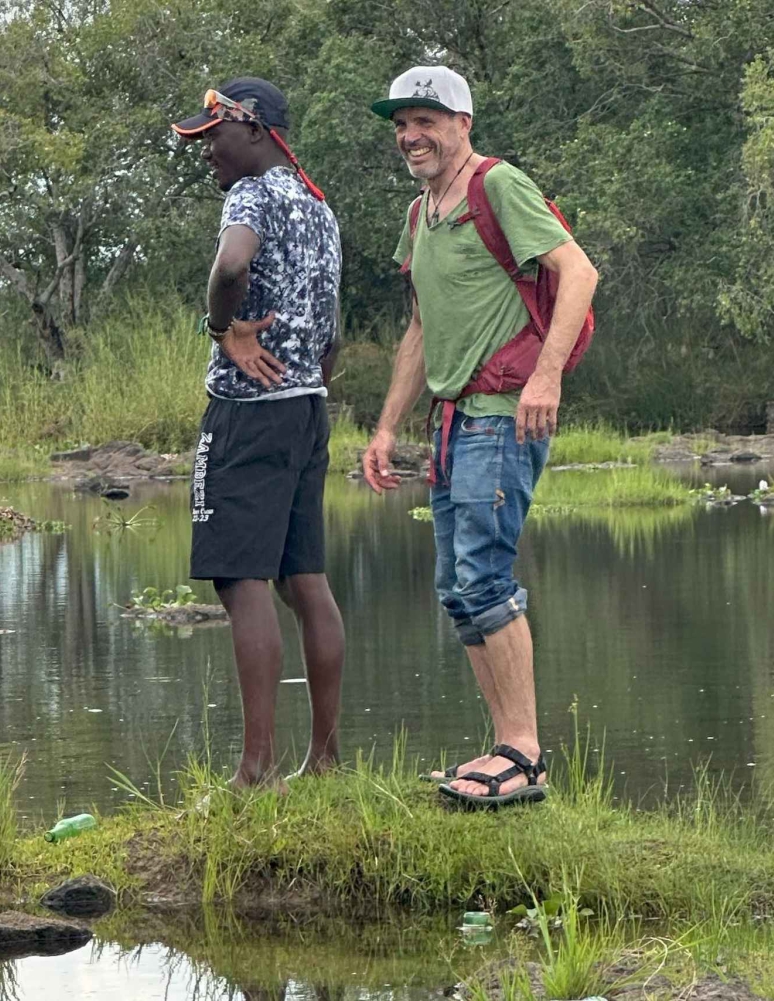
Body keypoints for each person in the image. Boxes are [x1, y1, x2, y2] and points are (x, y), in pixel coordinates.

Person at [362, 67, 599, 808]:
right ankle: (506, 746)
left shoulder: (499, 185)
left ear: (462, 123)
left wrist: (546, 377)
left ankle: (525, 754)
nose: (411, 136)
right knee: (457, 589)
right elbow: (420, 328)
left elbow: (579, 271)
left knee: (485, 578)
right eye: (402, 124)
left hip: (503, 412)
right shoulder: (419, 213)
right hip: (451, 419)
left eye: (425, 120)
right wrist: (387, 426)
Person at [171, 78, 346, 791]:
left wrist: (223, 329)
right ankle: (325, 761)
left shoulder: (250, 196)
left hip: (247, 412)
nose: (206, 149)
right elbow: (332, 326)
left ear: (253, 128)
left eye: (212, 135)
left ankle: (255, 772)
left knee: (242, 581)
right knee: (305, 580)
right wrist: (310, 378)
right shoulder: (317, 205)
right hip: (307, 411)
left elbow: (232, 265)